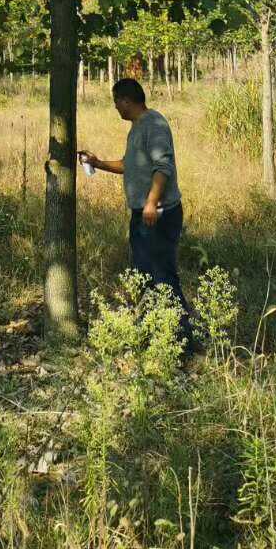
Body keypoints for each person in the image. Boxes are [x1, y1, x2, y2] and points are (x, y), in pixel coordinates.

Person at [80, 77, 195, 351]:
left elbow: (162, 167)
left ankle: (182, 341)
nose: (115, 109)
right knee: (146, 274)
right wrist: (97, 163)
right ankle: (159, 332)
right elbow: (130, 165)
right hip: (144, 215)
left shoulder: (154, 125)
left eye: (116, 103)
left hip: (158, 215)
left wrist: (151, 203)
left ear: (125, 101)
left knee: (162, 275)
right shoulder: (136, 128)